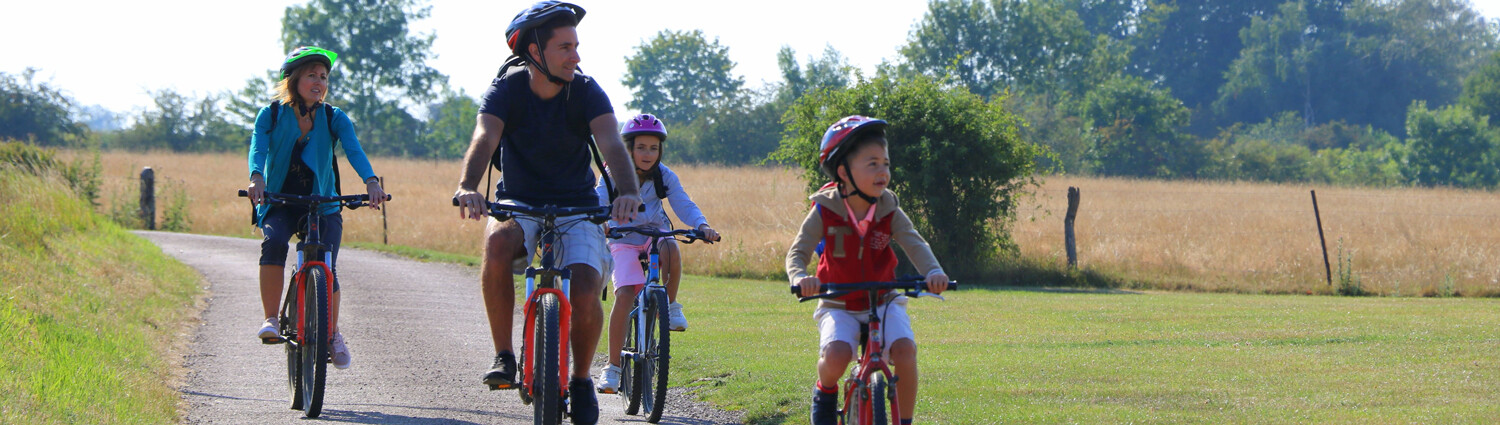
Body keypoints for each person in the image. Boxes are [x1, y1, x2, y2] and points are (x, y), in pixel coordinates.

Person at [450, 2, 641, 423]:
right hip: (519, 202)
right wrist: (468, 186)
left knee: (588, 287)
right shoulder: (507, 90)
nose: (576, 56)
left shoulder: (587, 90)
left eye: (576, 46)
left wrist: (627, 192)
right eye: (565, 47)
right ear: (535, 53)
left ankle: (581, 378)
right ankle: (504, 356)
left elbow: (611, 143)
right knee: (498, 243)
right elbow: (485, 137)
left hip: (578, 205)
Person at [786, 116, 950, 425]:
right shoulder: (825, 209)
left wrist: (934, 273)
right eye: (872, 164)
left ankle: (904, 421)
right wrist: (800, 278)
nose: (883, 172)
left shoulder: (888, 208)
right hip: (838, 301)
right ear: (843, 172)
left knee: (904, 350)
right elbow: (798, 251)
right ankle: (825, 394)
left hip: (883, 298)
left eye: (886, 164)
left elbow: (915, 244)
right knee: (835, 357)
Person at [247, 46, 386, 370]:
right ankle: (270, 319)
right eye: (311, 74)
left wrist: (371, 182)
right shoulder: (272, 114)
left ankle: (332, 333)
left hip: (322, 203)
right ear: (294, 79)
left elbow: (354, 149)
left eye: (323, 77)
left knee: (326, 264)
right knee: (275, 243)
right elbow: (258, 146)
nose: (319, 82)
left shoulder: (333, 117)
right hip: (281, 201)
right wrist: (257, 178)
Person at [593, 113, 721, 394]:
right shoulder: (612, 173)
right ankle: (613, 368)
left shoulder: (664, 175)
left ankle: (671, 306)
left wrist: (702, 225)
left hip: (656, 234)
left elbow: (683, 203)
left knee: (672, 246)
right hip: (623, 238)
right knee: (626, 294)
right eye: (641, 147)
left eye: (654, 148)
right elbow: (599, 199)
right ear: (628, 148)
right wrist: (602, 221)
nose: (648, 153)